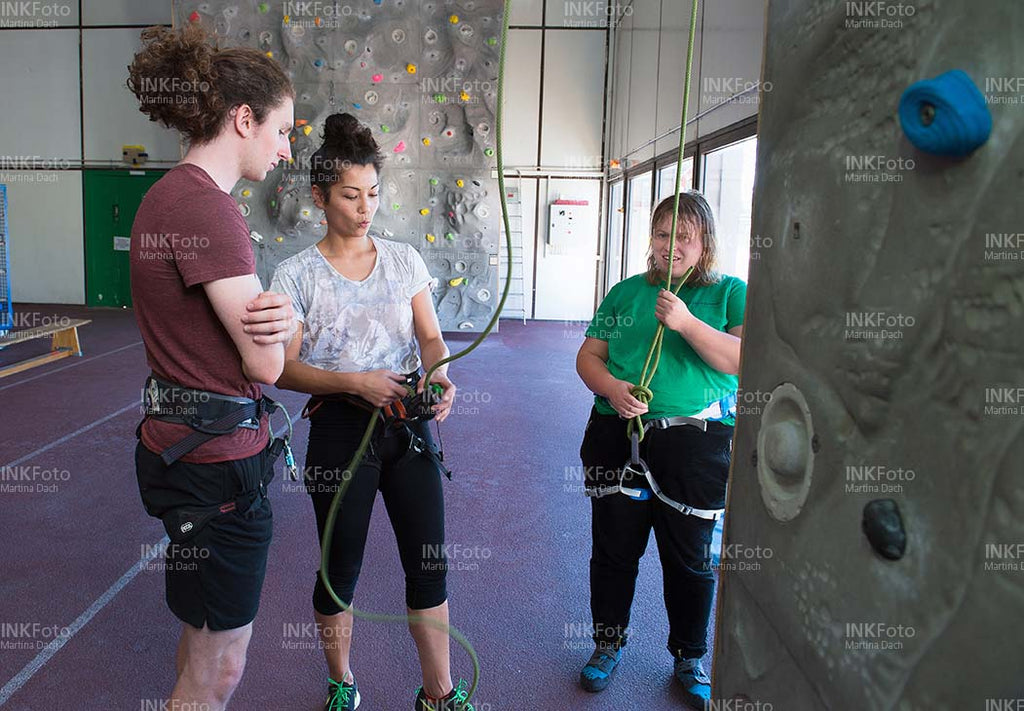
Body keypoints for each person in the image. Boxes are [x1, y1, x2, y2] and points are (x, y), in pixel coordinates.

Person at [270, 113, 473, 711]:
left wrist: (441, 374)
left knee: (428, 565)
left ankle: (438, 692)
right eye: (350, 195)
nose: (365, 208)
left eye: (374, 195)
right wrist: (354, 382)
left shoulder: (405, 260)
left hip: (408, 425)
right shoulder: (296, 274)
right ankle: (342, 682)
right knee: (340, 569)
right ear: (319, 197)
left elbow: (431, 340)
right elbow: (283, 369)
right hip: (338, 429)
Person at [127, 24, 297, 711]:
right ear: (244, 117)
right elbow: (268, 365)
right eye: (282, 131)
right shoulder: (207, 208)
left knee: (199, 639)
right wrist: (284, 326)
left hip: (180, 450)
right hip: (215, 464)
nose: (287, 150)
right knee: (220, 669)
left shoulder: (164, 196)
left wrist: (277, 319)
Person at [575, 192, 746, 707]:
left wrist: (687, 322)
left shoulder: (729, 292)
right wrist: (610, 387)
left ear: (705, 242)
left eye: (685, 236)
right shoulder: (626, 293)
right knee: (613, 550)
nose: (672, 245)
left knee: (689, 557)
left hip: (694, 445)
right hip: (620, 435)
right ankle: (607, 644)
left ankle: (689, 655)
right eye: (663, 233)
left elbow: (739, 359)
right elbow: (588, 357)